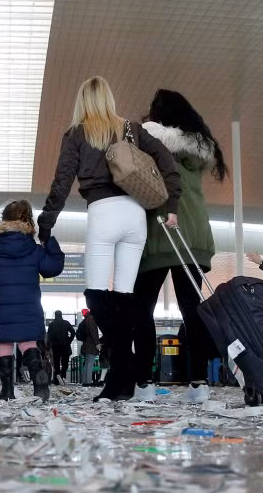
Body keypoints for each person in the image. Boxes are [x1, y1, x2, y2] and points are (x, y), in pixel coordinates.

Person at [38, 76, 181, 402]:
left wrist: (45, 225)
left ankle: (124, 370)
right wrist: (172, 204)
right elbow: (167, 161)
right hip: (135, 219)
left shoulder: (77, 133)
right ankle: (121, 381)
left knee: (97, 297)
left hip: (103, 215)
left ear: (82, 103)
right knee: (125, 299)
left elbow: (61, 184)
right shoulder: (131, 128)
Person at [131, 89, 229, 405]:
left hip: (161, 234)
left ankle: (143, 383)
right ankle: (198, 384)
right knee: (193, 312)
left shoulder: (149, 141)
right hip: (195, 238)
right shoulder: (200, 149)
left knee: (142, 309)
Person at [0, 200, 65, 401]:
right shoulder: (34, 250)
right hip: (29, 306)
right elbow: (52, 268)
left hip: (0, 307)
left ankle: (7, 391)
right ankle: (39, 382)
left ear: (3, 219)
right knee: (28, 343)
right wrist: (49, 241)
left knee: (3, 345)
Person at [45, 310, 75, 385]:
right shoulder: (66, 323)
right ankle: (63, 376)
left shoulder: (51, 325)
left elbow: (49, 338)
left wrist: (48, 349)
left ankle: (57, 378)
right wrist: (69, 340)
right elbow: (73, 332)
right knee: (65, 363)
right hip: (65, 346)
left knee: (56, 363)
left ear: (55, 315)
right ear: (61, 315)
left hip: (55, 346)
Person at [76, 308, 100, 387]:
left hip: (85, 344)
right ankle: (89, 382)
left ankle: (85, 381)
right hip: (91, 345)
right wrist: (97, 343)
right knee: (90, 363)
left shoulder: (85, 321)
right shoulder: (91, 320)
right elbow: (93, 333)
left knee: (87, 363)